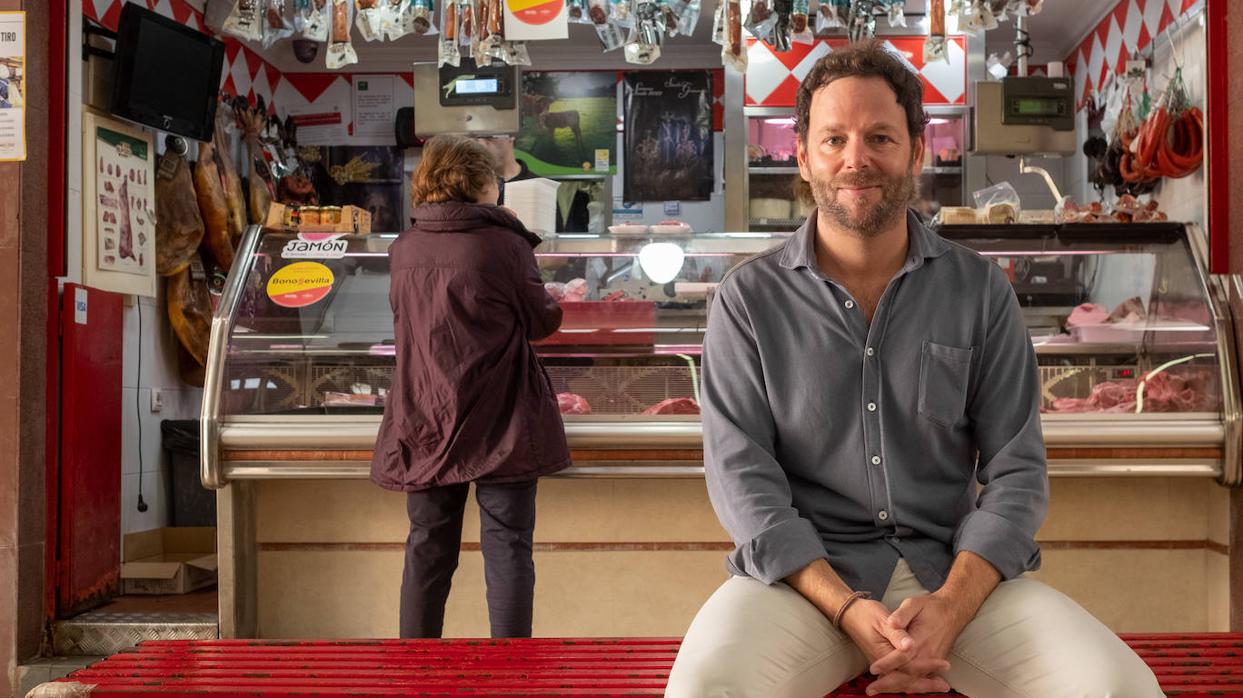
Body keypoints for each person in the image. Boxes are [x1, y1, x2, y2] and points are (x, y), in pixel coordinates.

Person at [665, 41, 1163, 698]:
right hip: (804, 587)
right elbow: (745, 489)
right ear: (802, 155)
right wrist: (845, 608)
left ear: (916, 151)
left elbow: (1016, 472)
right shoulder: (747, 300)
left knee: (1114, 685)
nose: (855, 158)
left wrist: (952, 608)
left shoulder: (978, 290)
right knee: (705, 686)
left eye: (879, 136)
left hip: (953, 579)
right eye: (833, 138)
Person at [371, 134, 570, 639]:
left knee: (427, 546)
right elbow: (542, 321)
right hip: (501, 416)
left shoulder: (405, 247)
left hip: (425, 414)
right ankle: (510, 670)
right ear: (482, 182)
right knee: (507, 546)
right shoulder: (506, 244)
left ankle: (416, 667)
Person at [474, 133, 536, 206]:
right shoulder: (471, 186)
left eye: (490, 136)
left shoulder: (536, 186)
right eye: (477, 139)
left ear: (511, 136)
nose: (482, 145)